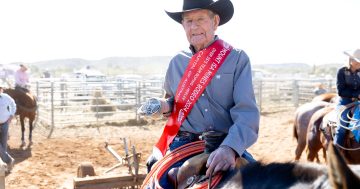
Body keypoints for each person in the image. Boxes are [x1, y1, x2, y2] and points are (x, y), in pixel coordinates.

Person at [138, 0, 259, 187]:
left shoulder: (236, 58)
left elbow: (246, 112)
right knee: (154, 175)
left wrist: (229, 148)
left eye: (200, 19)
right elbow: (173, 102)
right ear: (183, 25)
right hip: (184, 143)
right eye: (188, 21)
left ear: (215, 21)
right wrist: (161, 106)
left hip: (225, 142)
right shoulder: (177, 62)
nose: (194, 27)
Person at [334, 48, 360, 147]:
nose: (359, 64)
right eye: (357, 61)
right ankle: (337, 151)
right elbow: (341, 90)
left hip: (359, 101)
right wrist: (355, 95)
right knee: (342, 126)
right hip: (345, 102)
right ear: (351, 60)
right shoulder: (342, 71)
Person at [0, 82, 16, 172]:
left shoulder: (6, 97)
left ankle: (6, 166)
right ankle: (9, 160)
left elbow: (13, 104)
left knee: (3, 145)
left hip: (5, 123)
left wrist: (11, 115)